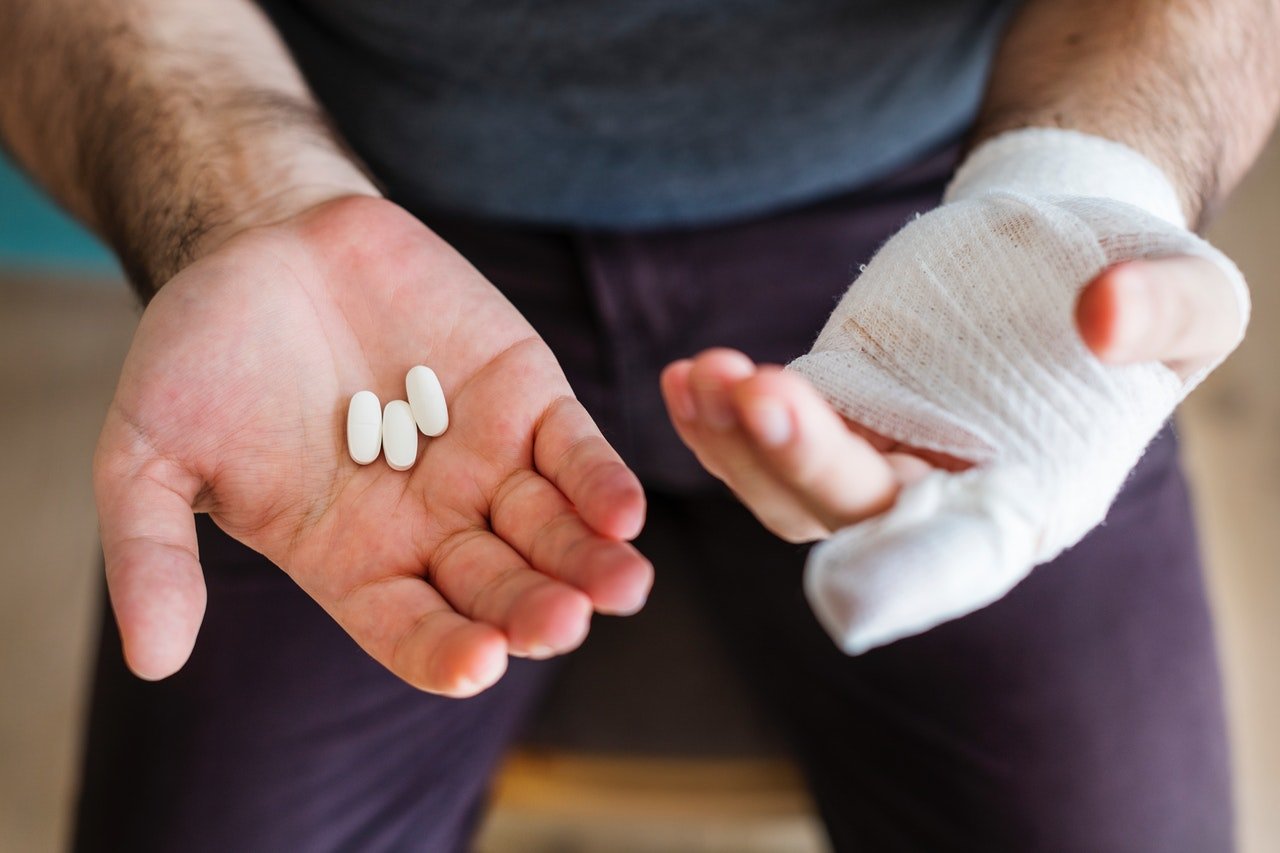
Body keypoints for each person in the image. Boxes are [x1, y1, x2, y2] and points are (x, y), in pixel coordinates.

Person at [1, 0, 1274, 849]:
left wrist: (1066, 200)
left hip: (941, 238)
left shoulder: (983, 266)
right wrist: (245, 208)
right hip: (347, 228)